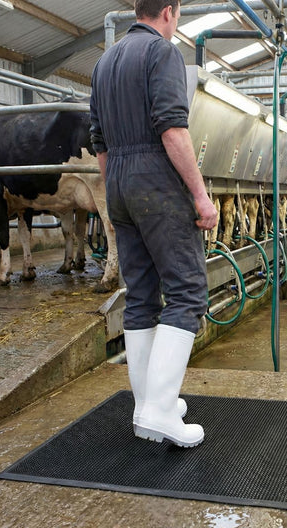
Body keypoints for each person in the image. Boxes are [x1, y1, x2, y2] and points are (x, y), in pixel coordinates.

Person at [89, 0, 217, 448]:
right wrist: (201, 196)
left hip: (118, 182)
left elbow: (98, 140)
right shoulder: (162, 53)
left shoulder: (104, 62)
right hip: (155, 178)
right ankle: (161, 410)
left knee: (141, 295)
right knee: (186, 290)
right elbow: (172, 129)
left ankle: (147, 409)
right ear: (169, 11)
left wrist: (116, 192)